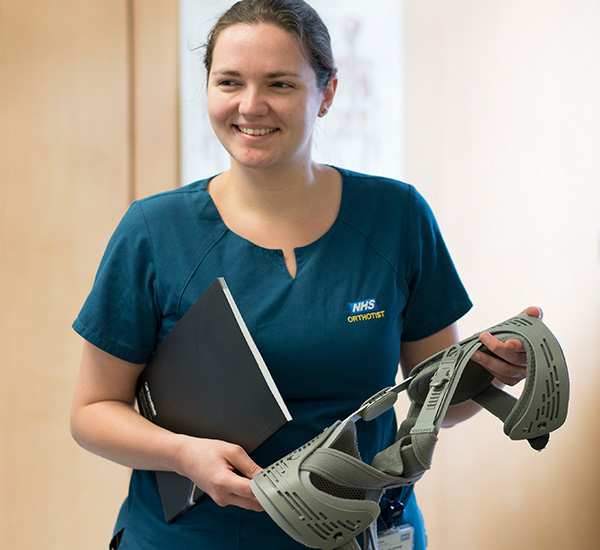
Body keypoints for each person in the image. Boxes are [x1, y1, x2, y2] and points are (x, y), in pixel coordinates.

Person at [70, 1, 540, 548]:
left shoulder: (396, 217)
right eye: (229, 81)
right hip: (194, 537)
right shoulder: (155, 230)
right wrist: (183, 454)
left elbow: (440, 403)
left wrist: (488, 373)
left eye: (280, 84)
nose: (250, 105)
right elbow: (92, 411)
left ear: (328, 94)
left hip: (360, 532)